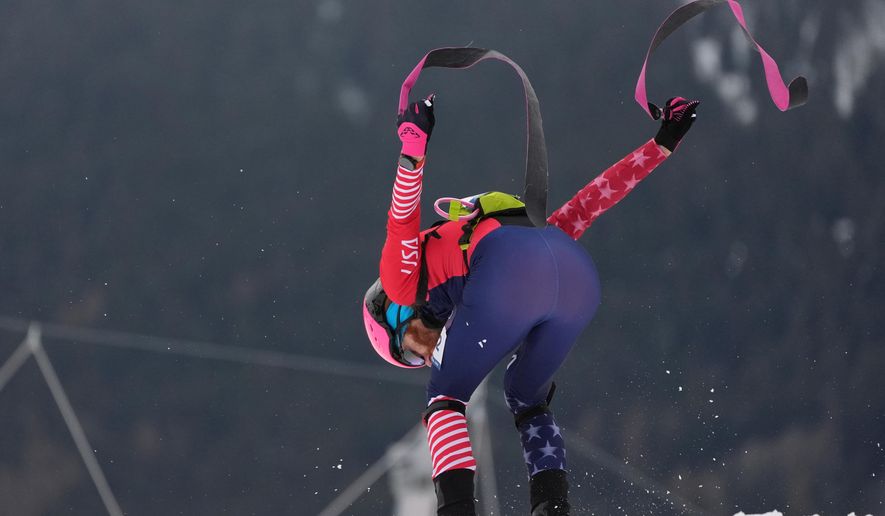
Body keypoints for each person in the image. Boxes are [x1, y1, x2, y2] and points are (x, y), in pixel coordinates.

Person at [362, 94, 699, 515]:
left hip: (507, 275)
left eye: (410, 350)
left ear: (396, 316)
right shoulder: (479, 235)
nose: (426, 355)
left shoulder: (400, 282)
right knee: (525, 394)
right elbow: (589, 204)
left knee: (444, 397)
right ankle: (552, 507)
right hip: (576, 280)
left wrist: (413, 147)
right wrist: (663, 142)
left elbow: (402, 217)